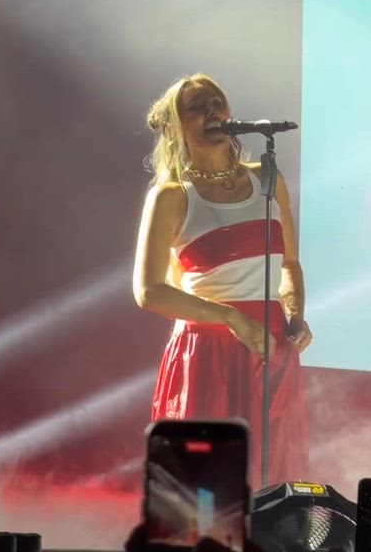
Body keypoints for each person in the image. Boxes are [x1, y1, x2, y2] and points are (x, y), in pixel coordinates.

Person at [133, 74, 311, 484]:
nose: (212, 112)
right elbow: (149, 291)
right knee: (207, 485)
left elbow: (289, 264)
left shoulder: (268, 179)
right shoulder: (172, 195)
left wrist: (296, 315)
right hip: (206, 352)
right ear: (176, 126)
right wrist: (232, 317)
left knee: (273, 478)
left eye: (217, 103)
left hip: (270, 345)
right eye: (197, 107)